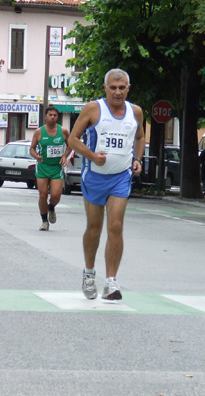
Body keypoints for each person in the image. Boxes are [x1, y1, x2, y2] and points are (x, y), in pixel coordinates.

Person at [68, 68, 145, 301]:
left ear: (128, 88)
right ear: (105, 88)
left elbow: (140, 137)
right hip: (94, 176)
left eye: (122, 88)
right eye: (113, 87)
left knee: (116, 226)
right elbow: (72, 139)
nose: (117, 92)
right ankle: (89, 273)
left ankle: (111, 282)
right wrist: (92, 156)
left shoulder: (136, 112)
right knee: (94, 228)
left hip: (121, 177)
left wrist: (137, 159)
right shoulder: (93, 109)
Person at [29, 107, 71, 231]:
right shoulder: (39, 132)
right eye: (50, 115)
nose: (53, 117)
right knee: (42, 195)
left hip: (56, 167)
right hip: (42, 167)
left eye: (55, 115)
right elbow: (31, 148)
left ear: (57, 117)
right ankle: (44, 221)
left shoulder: (63, 131)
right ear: (46, 116)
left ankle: (51, 207)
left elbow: (70, 145)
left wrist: (64, 156)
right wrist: (36, 156)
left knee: (56, 195)